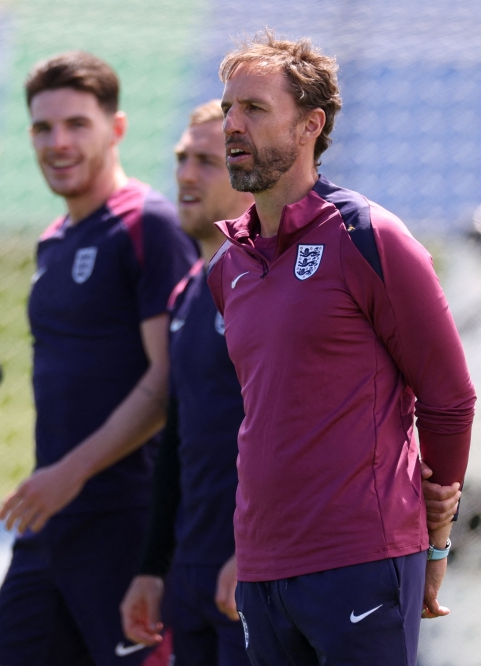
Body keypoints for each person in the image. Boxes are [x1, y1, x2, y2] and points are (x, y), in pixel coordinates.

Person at [206, 31, 474, 664]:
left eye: (255, 109)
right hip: (264, 567)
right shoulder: (228, 267)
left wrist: (435, 540)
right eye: (227, 110)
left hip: (363, 558)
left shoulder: (369, 236)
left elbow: (450, 397)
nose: (233, 126)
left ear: (310, 125)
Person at [0, 52, 196, 666]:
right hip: (51, 522)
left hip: (125, 521)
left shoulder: (149, 224)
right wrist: (60, 480)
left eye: (77, 124)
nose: (59, 142)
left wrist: (72, 471)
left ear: (117, 129)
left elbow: (167, 379)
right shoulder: (53, 241)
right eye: (44, 128)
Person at [117, 99, 253, 666]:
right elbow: (176, 441)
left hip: (253, 575)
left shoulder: (268, 286)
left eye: (208, 161)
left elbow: (292, 431)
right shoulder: (187, 293)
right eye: (182, 158)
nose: (186, 175)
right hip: (192, 575)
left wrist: (253, 551)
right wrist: (153, 567)